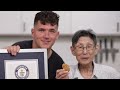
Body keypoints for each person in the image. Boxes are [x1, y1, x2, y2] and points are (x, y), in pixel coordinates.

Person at [6, 11, 64, 79]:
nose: (46, 36)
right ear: (33, 33)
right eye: (42, 30)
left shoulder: (59, 64)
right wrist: (6, 53)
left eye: (51, 31)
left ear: (57, 35)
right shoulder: (19, 50)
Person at [56, 29, 120, 79]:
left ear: (96, 49)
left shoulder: (110, 73)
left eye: (89, 46)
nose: (85, 52)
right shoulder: (66, 75)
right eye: (80, 47)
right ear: (73, 50)